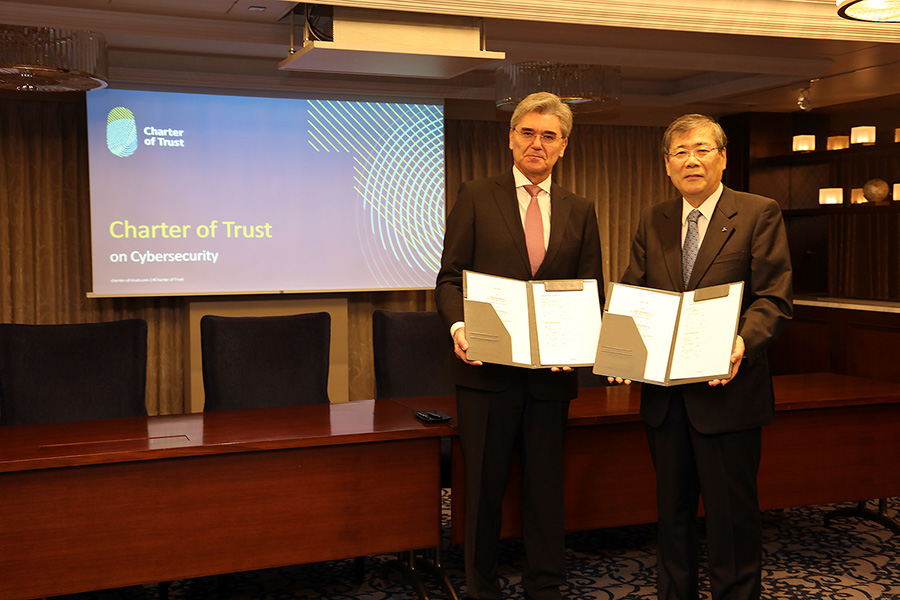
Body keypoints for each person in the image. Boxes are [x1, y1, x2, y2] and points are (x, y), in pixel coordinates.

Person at [435, 92, 604, 600]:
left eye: (548, 135)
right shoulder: (475, 194)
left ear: (564, 146)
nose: (537, 143)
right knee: (483, 487)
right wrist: (459, 328)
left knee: (545, 487)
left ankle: (546, 583)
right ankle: (480, 586)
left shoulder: (581, 210)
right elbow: (448, 280)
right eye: (528, 132)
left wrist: (580, 339)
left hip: (551, 379)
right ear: (510, 138)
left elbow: (589, 290)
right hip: (485, 374)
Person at [617, 113, 793, 600]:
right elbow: (636, 291)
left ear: (722, 157)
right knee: (670, 515)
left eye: (702, 149)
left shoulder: (759, 212)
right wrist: (620, 344)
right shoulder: (653, 218)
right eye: (680, 153)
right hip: (665, 397)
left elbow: (774, 298)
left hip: (728, 393)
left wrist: (740, 342)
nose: (691, 160)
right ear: (667, 165)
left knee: (730, 518)